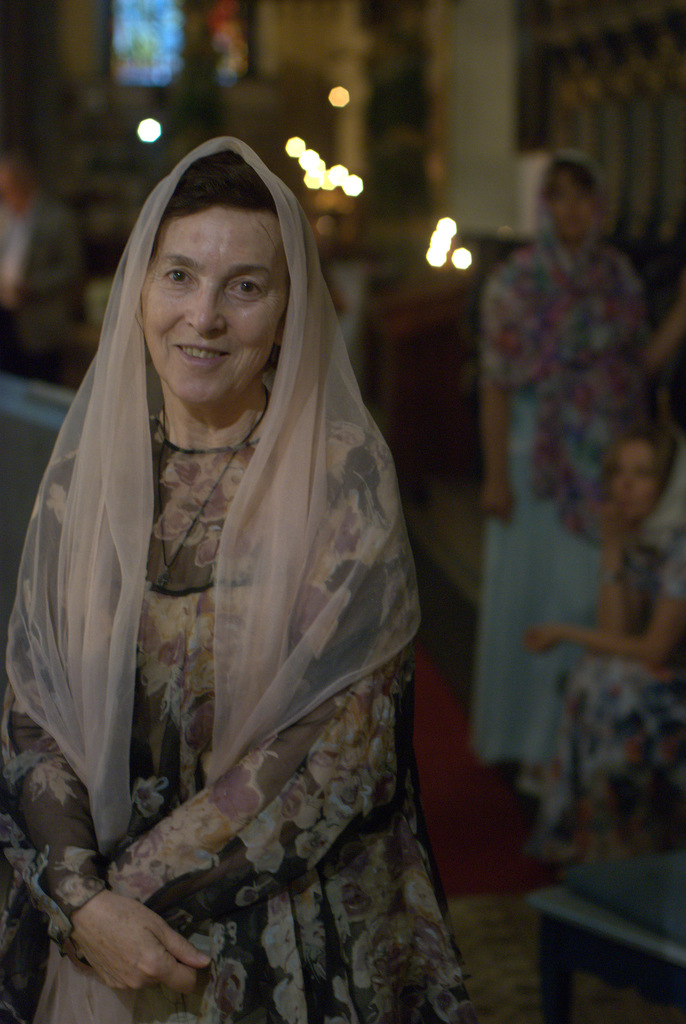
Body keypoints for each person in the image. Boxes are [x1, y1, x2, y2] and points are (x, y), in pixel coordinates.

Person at [0, 139, 477, 1023]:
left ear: (291, 311)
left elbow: (339, 753)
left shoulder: (339, 479)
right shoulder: (89, 478)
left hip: (279, 931)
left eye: (245, 287)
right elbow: (32, 708)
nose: (204, 317)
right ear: (139, 289)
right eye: (180, 276)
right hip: (90, 920)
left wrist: (116, 906)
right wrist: (77, 897)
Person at [471, 150, 653, 785]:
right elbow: (496, 383)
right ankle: (526, 743)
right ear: (544, 206)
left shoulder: (618, 279)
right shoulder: (517, 282)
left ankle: (571, 744)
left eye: (583, 195)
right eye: (560, 196)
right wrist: (496, 474)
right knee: (531, 599)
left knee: (583, 597)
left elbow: (635, 367)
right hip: (535, 460)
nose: (572, 209)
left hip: (600, 460)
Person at [525, 423, 686, 862]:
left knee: (611, 686)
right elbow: (616, 634)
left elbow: (653, 650)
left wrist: (564, 632)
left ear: (671, 482)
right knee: (594, 674)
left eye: (643, 473)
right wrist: (613, 549)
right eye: (618, 472)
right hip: (668, 676)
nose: (625, 485)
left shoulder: (681, 543)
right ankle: (599, 840)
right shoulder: (646, 536)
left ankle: (617, 842)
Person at [0, 151, 82, 383]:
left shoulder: (57, 217)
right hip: (6, 317)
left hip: (40, 320)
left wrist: (33, 287)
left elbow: (72, 268)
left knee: (40, 381)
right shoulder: (5, 216)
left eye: (8, 187)